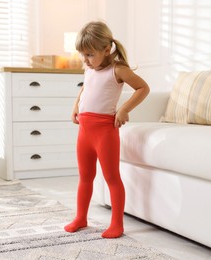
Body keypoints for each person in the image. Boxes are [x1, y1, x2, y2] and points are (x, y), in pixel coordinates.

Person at [64, 21, 150, 239]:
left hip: (105, 132)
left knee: (112, 177)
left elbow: (143, 88)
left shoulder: (118, 69)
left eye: (89, 54)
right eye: (82, 55)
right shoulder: (90, 67)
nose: (85, 59)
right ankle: (81, 217)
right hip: (84, 131)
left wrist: (124, 109)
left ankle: (117, 224)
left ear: (105, 49)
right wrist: (76, 105)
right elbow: (86, 86)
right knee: (85, 176)